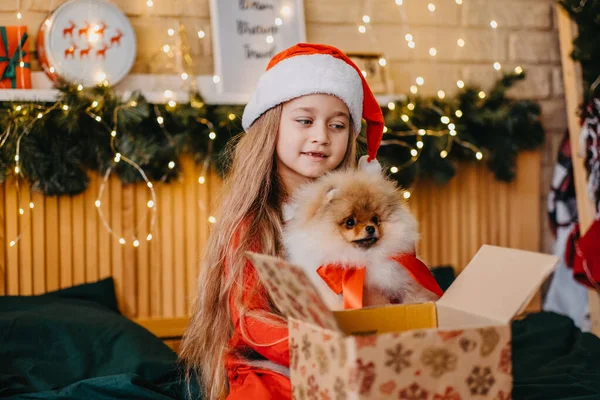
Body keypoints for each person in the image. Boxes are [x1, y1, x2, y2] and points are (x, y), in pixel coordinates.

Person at [179, 43, 385, 400]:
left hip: (355, 362)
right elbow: (249, 318)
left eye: (337, 125)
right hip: (272, 366)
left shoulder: (363, 215)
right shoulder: (252, 222)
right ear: (272, 125)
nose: (321, 136)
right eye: (305, 121)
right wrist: (319, 348)